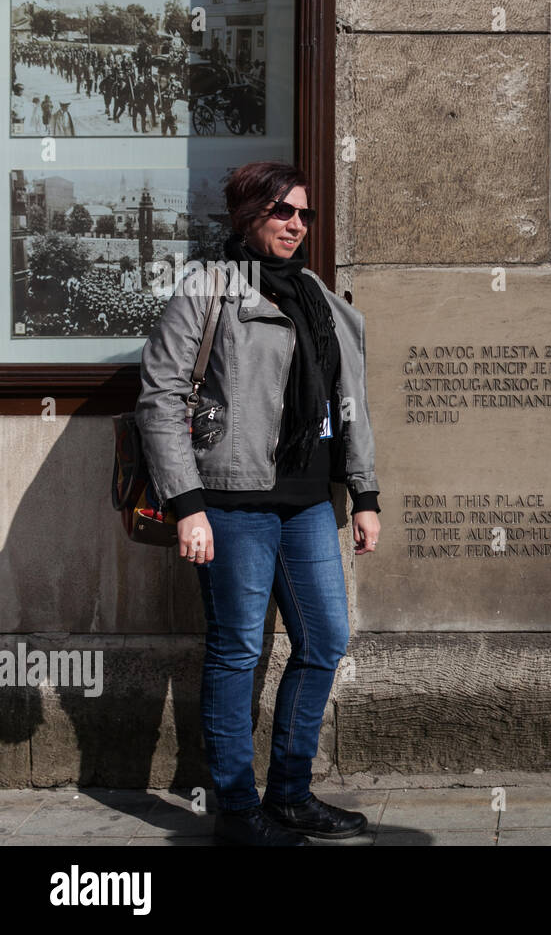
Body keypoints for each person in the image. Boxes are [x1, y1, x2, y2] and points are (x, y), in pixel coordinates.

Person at [136, 161, 382, 846]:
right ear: (249, 217)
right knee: (239, 648)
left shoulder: (315, 296)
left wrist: (364, 492)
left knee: (325, 637)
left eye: (303, 213)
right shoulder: (209, 288)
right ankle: (237, 809)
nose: (296, 224)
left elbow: (350, 398)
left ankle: (292, 794)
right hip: (229, 499)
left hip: (306, 502)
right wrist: (186, 504)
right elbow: (160, 397)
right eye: (282, 212)